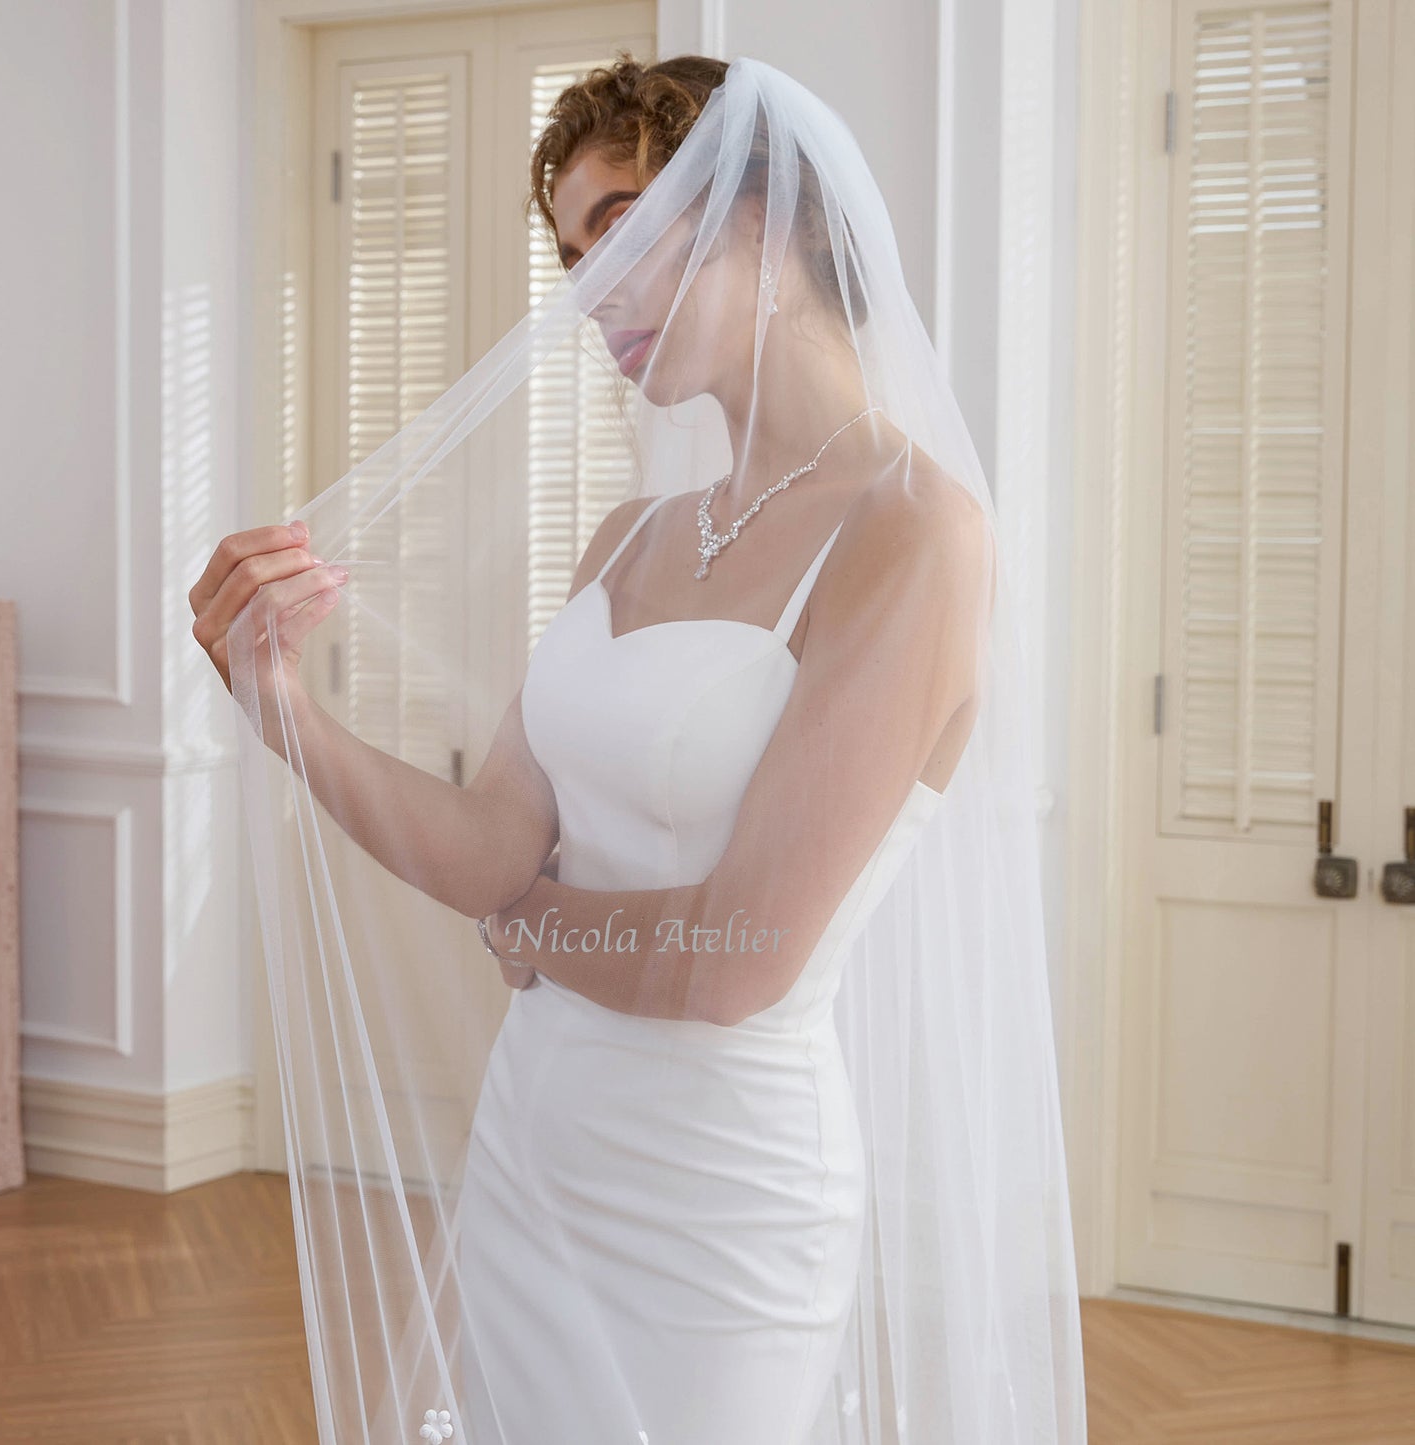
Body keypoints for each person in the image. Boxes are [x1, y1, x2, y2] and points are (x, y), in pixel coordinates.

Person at [191, 52, 1086, 1445]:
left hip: (721, 1198)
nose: (581, 290)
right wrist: (283, 708)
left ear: (762, 220)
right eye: (565, 251)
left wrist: (532, 926)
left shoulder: (914, 531)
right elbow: (492, 841)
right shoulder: (629, 536)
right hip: (537, 1144)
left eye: (616, 229)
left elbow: (739, 959)